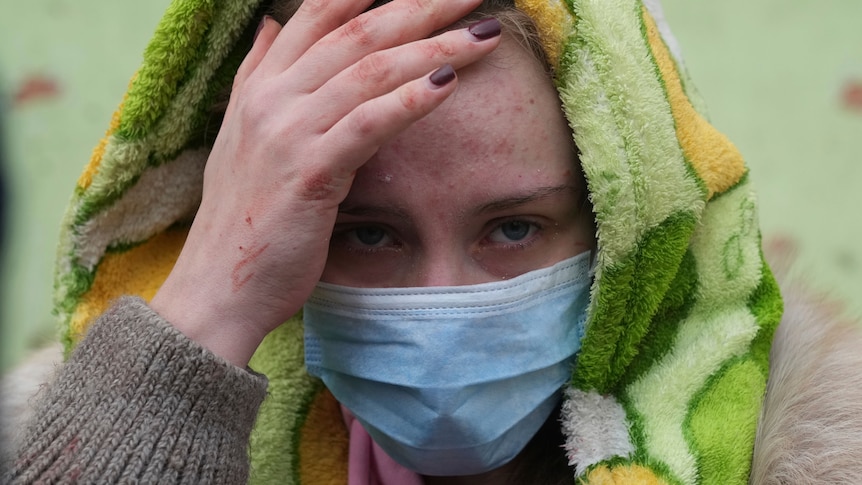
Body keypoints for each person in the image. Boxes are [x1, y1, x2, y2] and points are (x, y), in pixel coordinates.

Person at [10, 0, 853, 483]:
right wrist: (195, 324)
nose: (441, 302)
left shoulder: (807, 452)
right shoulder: (59, 437)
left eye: (515, 226)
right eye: (366, 233)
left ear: (625, 227)